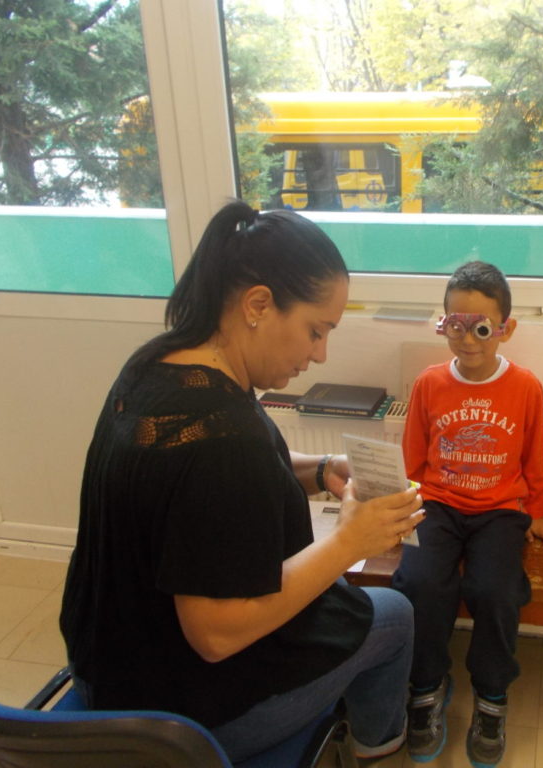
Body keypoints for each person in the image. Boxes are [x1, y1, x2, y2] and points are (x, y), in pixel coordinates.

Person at [59, 200, 424, 763]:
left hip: (104, 665)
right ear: (258, 304)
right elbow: (216, 635)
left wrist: (320, 469)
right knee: (393, 616)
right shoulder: (225, 440)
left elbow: (211, 484)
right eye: (316, 330)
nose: (320, 354)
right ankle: (379, 748)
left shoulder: (158, 367)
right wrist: (349, 542)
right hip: (175, 721)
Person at [393, 260, 543, 767]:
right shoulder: (429, 384)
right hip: (437, 504)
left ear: (505, 329)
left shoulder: (526, 387)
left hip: (499, 511)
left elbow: (533, 455)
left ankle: (492, 696)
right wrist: (403, 507)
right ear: (443, 324)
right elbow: (413, 458)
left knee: (495, 590)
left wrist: (539, 512)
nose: (468, 340)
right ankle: (426, 686)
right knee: (420, 582)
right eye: (456, 326)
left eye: (482, 328)